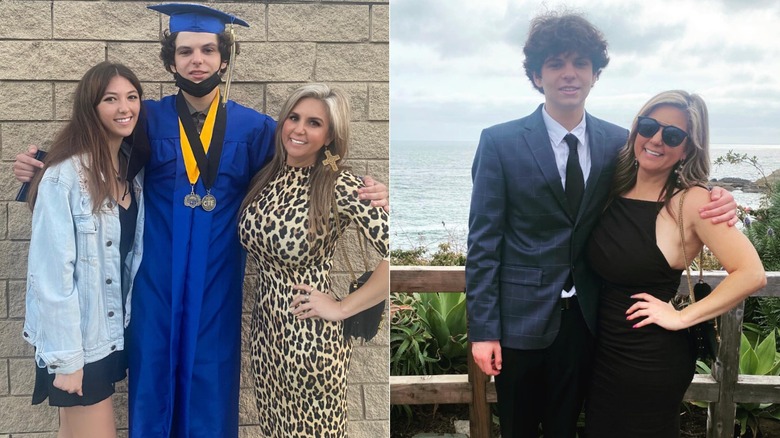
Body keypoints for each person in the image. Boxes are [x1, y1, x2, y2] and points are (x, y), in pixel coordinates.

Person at [14, 3, 387, 437]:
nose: (197, 61)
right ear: (171, 59)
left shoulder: (256, 127)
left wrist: (366, 189)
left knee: (211, 384)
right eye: (186, 51)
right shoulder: (144, 117)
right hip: (155, 282)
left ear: (224, 59)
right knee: (152, 379)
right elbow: (92, 149)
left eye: (208, 51)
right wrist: (38, 166)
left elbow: (303, 162)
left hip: (217, 284)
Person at [465, 12, 737, 438]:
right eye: (555, 64)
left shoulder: (618, 143)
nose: (568, 74)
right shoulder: (499, 142)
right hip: (518, 322)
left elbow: (665, 175)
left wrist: (719, 195)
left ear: (595, 74)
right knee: (517, 427)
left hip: (591, 324)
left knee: (569, 426)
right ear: (537, 75)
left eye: (580, 64)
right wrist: (483, 332)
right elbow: (483, 244)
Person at [585, 90, 766, 437]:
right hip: (603, 351)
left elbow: (752, 273)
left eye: (672, 135)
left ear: (688, 148)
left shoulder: (692, 201)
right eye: (649, 126)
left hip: (647, 360)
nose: (656, 139)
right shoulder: (614, 185)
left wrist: (682, 316)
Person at [238, 83, 388, 437]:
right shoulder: (267, 177)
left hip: (312, 342)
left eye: (314, 123)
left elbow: (396, 250)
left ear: (330, 135)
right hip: (266, 337)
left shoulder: (341, 185)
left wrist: (343, 307)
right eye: (294, 117)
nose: (299, 130)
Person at [22, 62, 145, 438]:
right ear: (90, 108)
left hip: (107, 331)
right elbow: (50, 275)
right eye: (111, 99)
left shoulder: (131, 171)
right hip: (76, 343)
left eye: (132, 97)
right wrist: (68, 360)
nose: (125, 108)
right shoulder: (65, 176)